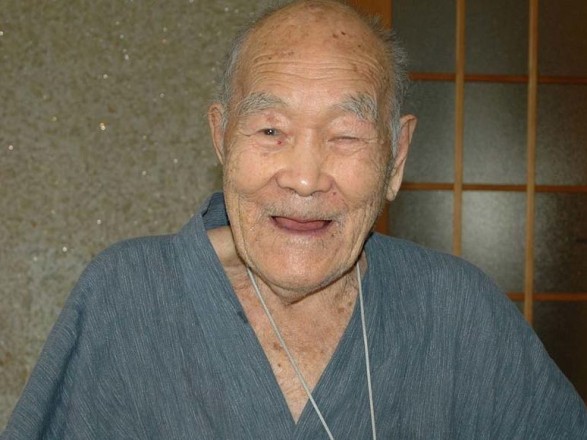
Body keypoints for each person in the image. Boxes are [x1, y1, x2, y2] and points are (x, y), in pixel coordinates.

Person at [2, 0, 586, 438]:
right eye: (270, 130)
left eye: (346, 135)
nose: (305, 178)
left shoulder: (457, 311)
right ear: (221, 138)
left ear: (397, 156)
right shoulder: (126, 296)